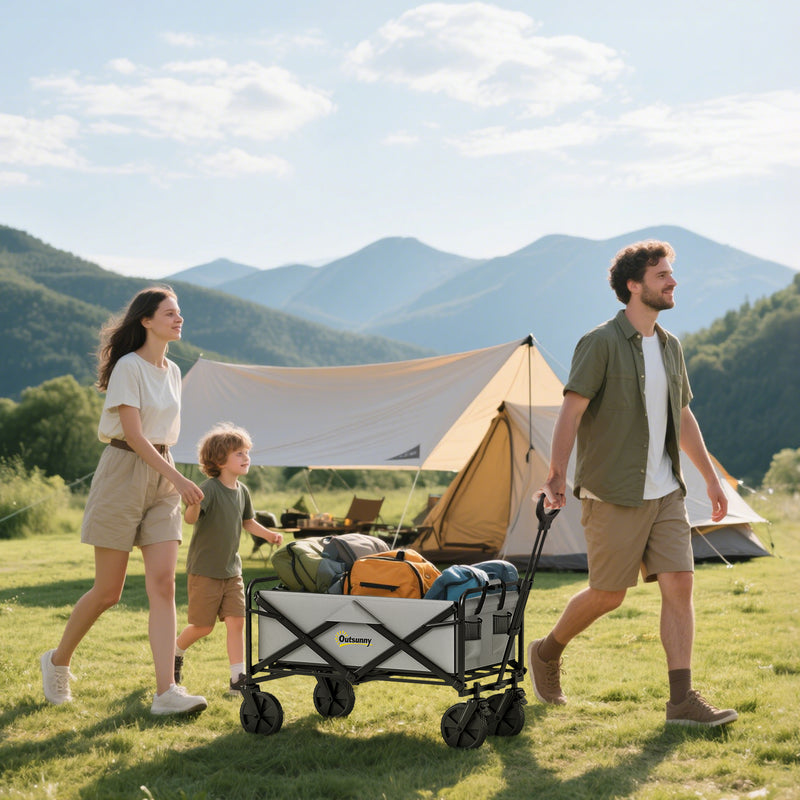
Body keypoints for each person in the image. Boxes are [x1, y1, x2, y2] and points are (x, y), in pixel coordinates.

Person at [530, 240, 738, 727]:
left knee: (680, 585)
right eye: (662, 274)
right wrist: (557, 473)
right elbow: (572, 411)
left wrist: (710, 479)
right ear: (633, 285)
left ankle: (681, 702)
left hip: (666, 491)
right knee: (608, 594)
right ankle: (547, 651)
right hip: (613, 492)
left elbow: (682, 416)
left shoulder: (670, 346)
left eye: (671, 273)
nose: (672, 281)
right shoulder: (600, 342)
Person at [40, 287, 208, 716]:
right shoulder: (128, 368)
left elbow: (162, 434)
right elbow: (134, 434)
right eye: (170, 313)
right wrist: (178, 479)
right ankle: (57, 661)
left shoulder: (172, 370)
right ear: (147, 321)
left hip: (162, 476)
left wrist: (172, 477)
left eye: (180, 313)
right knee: (108, 591)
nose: (179, 319)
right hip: (123, 471)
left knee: (164, 584)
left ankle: (166, 691)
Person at [174, 423, 283, 695]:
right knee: (203, 626)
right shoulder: (208, 489)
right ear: (219, 460)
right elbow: (190, 519)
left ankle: (237, 679)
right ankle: (174, 652)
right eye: (239, 453)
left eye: (247, 452)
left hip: (232, 571)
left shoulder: (242, 491)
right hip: (205, 570)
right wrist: (194, 503)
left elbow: (248, 521)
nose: (246, 457)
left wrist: (268, 535)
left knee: (237, 622)